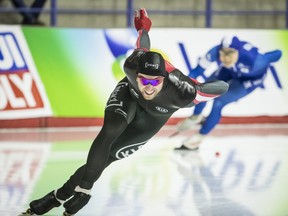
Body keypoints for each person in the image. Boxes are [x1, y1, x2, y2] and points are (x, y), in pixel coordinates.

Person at [20, 8, 228, 216]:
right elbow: (143, 44)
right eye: (143, 80)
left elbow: (221, 88)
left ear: (164, 80)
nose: (148, 86)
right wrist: (143, 27)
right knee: (110, 130)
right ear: (136, 74)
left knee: (110, 156)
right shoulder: (131, 65)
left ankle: (57, 196)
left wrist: (207, 86)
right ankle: (83, 190)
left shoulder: (183, 92)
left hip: (154, 118)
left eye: (155, 82)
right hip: (128, 96)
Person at [176, 35, 282, 150]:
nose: (226, 58)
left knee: (219, 102)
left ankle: (200, 136)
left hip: (250, 79)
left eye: (230, 53)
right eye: (223, 53)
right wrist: (182, 86)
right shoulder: (214, 52)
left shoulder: (256, 60)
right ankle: (195, 116)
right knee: (204, 89)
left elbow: (278, 53)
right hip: (229, 70)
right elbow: (196, 72)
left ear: (238, 52)